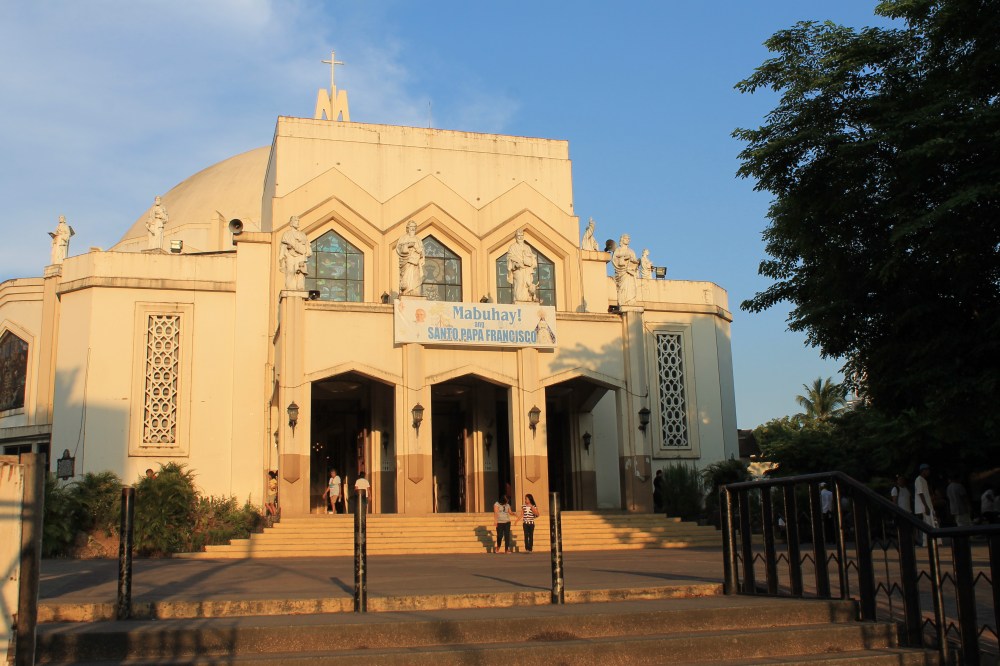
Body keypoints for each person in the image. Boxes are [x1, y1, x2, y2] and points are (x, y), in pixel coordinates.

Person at [278, 215, 312, 291]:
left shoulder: (302, 234)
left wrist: (304, 258)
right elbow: (283, 246)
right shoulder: (286, 234)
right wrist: (282, 256)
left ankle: (300, 287)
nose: (297, 222)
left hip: (300, 256)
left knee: (300, 272)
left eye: (298, 221)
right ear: (291, 223)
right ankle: (290, 288)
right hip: (290, 255)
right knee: (290, 271)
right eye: (296, 221)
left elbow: (306, 247)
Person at [506, 229, 538, 303]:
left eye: (521, 236)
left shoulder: (527, 247)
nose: (520, 237)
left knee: (527, 285)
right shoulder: (512, 247)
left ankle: (529, 298)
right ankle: (519, 299)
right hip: (518, 270)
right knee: (519, 283)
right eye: (518, 236)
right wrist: (515, 264)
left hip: (527, 270)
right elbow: (509, 258)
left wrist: (530, 261)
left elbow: (532, 258)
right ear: (515, 237)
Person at [396, 220, 425, 296]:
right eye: (411, 227)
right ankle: (406, 291)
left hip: (415, 263)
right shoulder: (403, 238)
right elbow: (399, 248)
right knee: (406, 277)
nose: (412, 229)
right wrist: (409, 245)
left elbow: (422, 252)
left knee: (415, 279)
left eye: (414, 227)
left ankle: (414, 291)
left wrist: (419, 251)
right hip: (406, 262)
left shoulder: (418, 240)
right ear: (408, 228)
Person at [612, 233, 639, 305]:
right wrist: (624, 258)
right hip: (621, 273)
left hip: (630, 273)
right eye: (626, 238)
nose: (628, 240)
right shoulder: (618, 250)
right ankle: (623, 302)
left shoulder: (631, 251)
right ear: (622, 239)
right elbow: (614, 260)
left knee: (630, 288)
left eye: (629, 239)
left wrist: (634, 263)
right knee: (622, 288)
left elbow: (635, 263)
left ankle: (630, 301)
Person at [914, 463, 936, 546]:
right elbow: (920, 493)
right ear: (923, 471)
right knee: (926, 524)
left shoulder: (924, 480)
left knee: (930, 523)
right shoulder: (919, 479)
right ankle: (925, 542)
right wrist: (925, 506)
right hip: (924, 506)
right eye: (927, 470)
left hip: (928, 505)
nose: (928, 472)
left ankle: (929, 542)